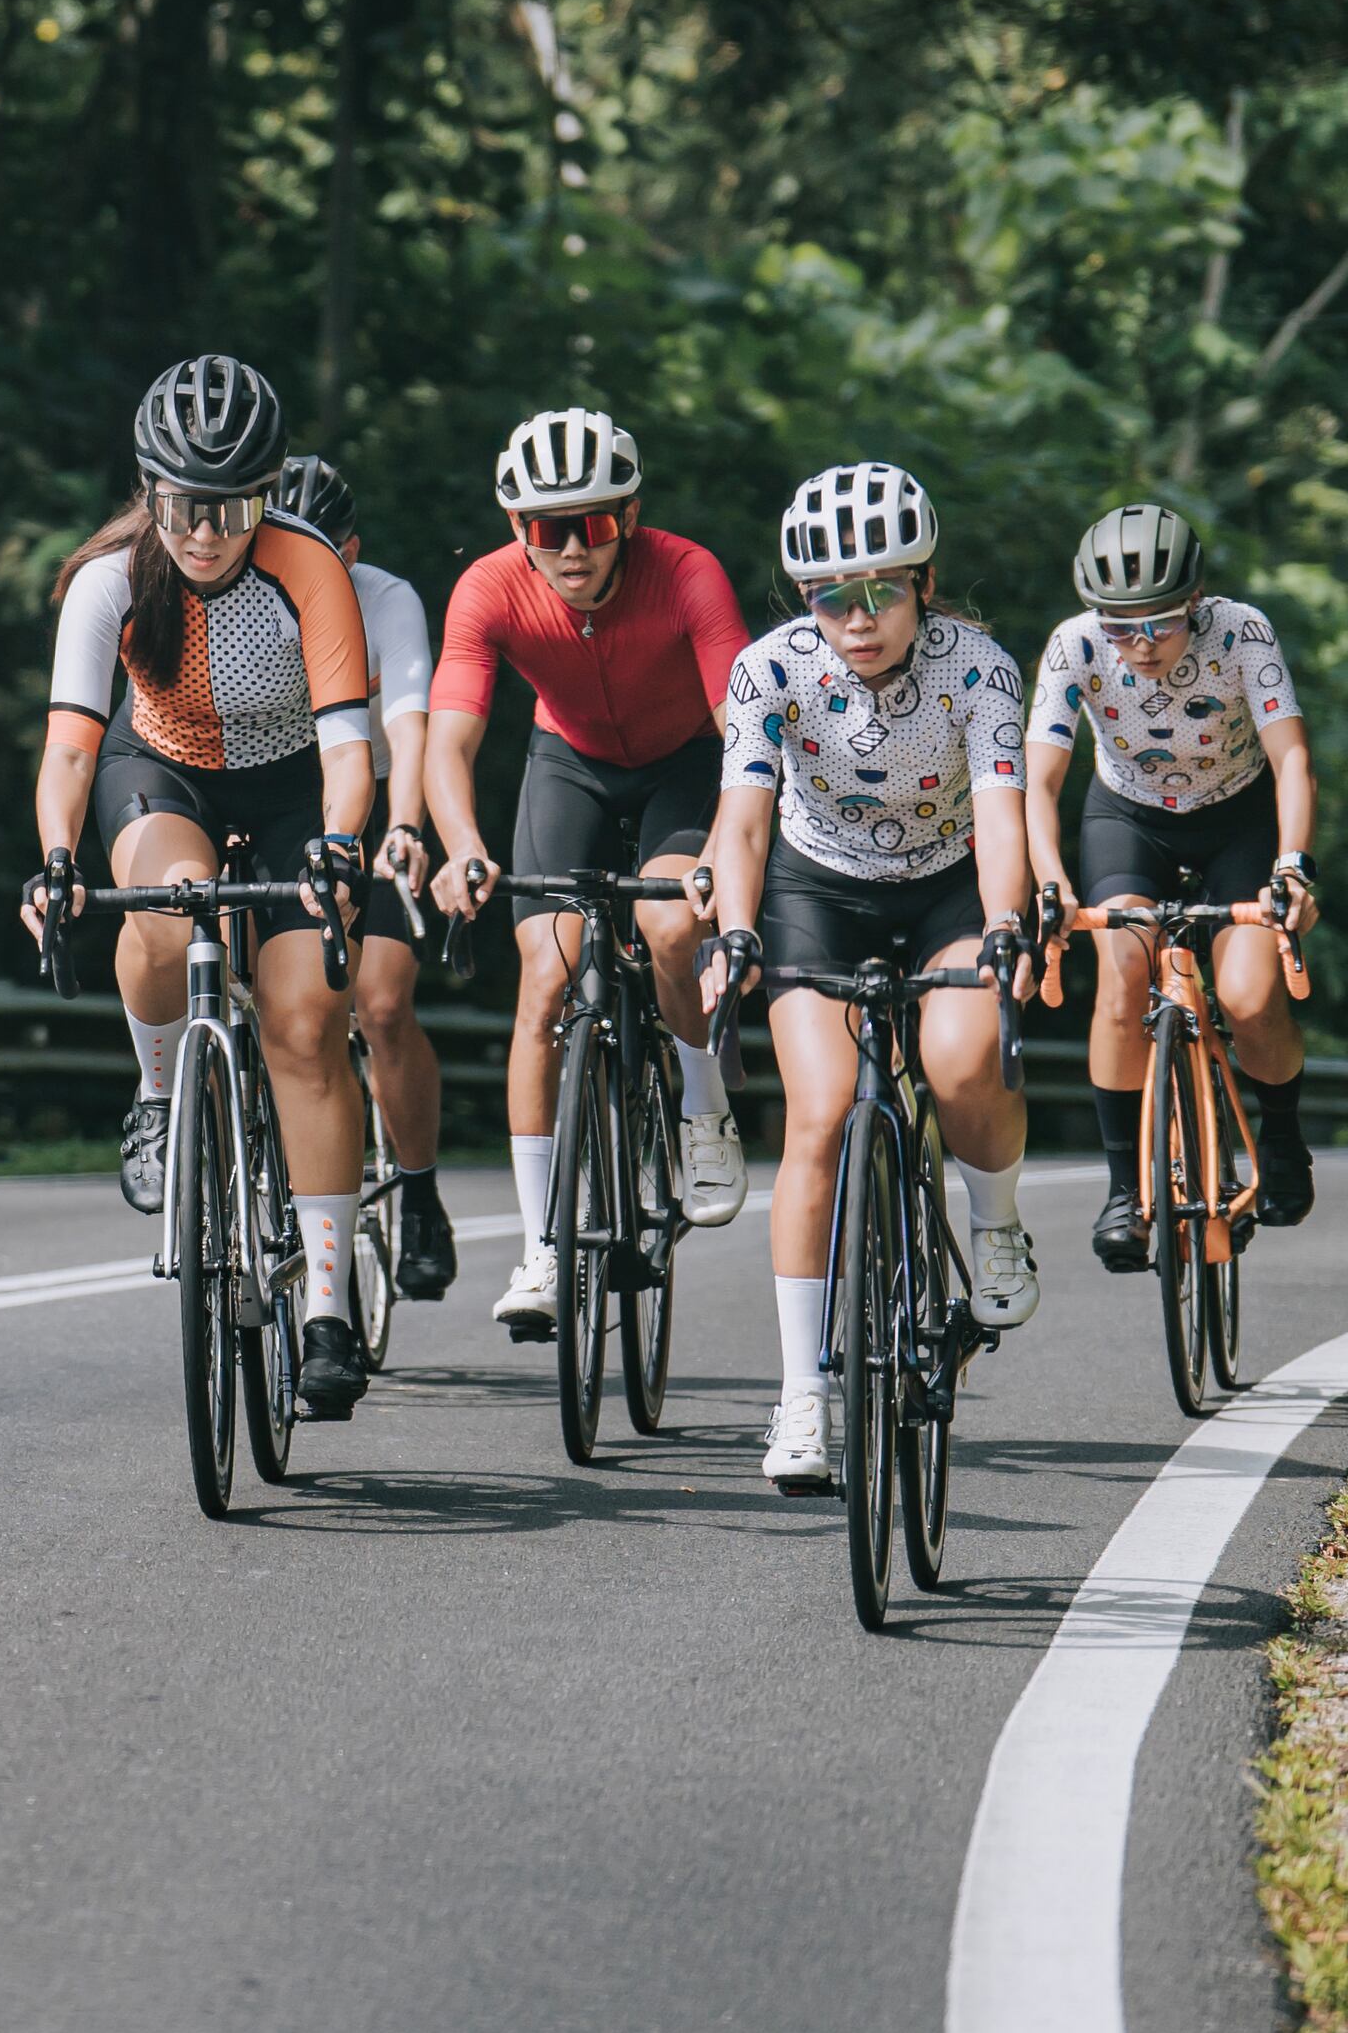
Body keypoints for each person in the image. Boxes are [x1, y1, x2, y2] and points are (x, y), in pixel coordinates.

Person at [21, 356, 388, 1415]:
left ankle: (325, 1304)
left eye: (232, 504)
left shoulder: (306, 566)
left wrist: (333, 846)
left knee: (307, 1024)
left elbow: (348, 751)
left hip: (286, 788)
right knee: (166, 903)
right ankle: (154, 1094)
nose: (205, 531)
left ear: (267, 493)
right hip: (162, 767)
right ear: (148, 489)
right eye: (181, 503)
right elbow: (69, 751)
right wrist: (55, 856)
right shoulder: (107, 580)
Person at [704, 460, 1041, 1491]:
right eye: (829, 597)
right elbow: (744, 821)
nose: (855, 618)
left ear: (923, 585)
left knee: (958, 1056)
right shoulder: (767, 671)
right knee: (813, 1114)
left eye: (880, 591)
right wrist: (729, 931)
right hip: (820, 891)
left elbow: (999, 816)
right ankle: (802, 1399)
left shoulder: (979, 669)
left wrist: (1001, 928)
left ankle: (994, 1228)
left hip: (943, 889)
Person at [422, 405, 752, 1345]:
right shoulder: (488, 589)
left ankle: (703, 1102)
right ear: (516, 528)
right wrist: (463, 844)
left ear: (631, 515)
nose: (570, 548)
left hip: (686, 761)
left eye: (594, 524)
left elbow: (744, 739)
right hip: (567, 763)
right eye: (545, 528)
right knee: (545, 977)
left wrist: (725, 856)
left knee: (668, 929)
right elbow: (452, 738)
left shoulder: (687, 573)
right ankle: (542, 1245)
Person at [1019, 499, 1322, 1269]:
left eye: (1159, 622)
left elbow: (1290, 757)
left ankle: (1280, 1135)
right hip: (1129, 816)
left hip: (1237, 817)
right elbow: (1038, 784)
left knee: (1252, 996)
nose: (1140, 644)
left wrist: (1293, 864)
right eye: (1120, 626)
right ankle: (1126, 1188)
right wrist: (1050, 882)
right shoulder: (1074, 646)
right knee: (1123, 970)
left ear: (1195, 601)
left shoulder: (1242, 631)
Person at [270, 451, 456, 1300]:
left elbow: (411, 726)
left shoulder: (387, 599)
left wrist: (408, 826)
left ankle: (415, 1190)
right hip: (287, 805)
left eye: (328, 548)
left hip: (379, 801)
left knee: (380, 1001)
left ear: (352, 549)